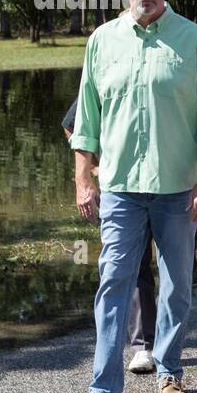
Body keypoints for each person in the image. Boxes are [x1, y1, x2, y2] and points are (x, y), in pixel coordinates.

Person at [70, 0, 197, 393]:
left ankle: (169, 372)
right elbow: (87, 118)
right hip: (119, 187)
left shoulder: (193, 40)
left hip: (179, 187)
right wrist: (84, 177)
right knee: (113, 283)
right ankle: (104, 391)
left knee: (177, 284)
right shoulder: (103, 41)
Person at [63, 97, 156, 374]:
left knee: (181, 268)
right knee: (135, 266)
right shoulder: (108, 65)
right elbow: (72, 126)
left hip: (173, 187)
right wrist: (91, 170)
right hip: (120, 188)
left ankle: (167, 336)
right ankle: (144, 346)